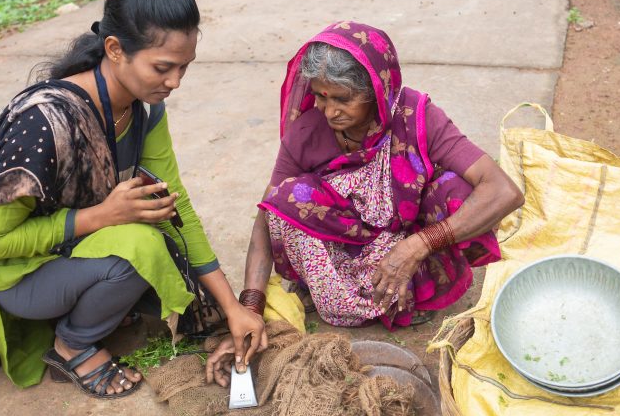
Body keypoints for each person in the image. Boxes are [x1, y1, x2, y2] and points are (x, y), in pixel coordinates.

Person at [0, 0, 266, 398]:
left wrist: (233, 307)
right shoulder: (45, 122)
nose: (175, 82)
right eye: (163, 67)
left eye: (185, 66)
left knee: (160, 225)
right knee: (143, 246)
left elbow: (179, 210)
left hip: (73, 256)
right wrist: (101, 217)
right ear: (114, 50)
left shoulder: (144, 113)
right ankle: (73, 344)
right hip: (20, 277)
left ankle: (92, 300)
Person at [206, 22, 524, 384]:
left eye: (343, 98)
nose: (330, 111)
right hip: (345, 247)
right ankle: (351, 297)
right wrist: (251, 306)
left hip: (412, 246)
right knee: (286, 199)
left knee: (458, 190)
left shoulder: (416, 117)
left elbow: (503, 191)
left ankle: (412, 287)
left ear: (377, 89)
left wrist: (418, 246)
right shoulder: (307, 131)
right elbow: (267, 218)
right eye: (321, 96)